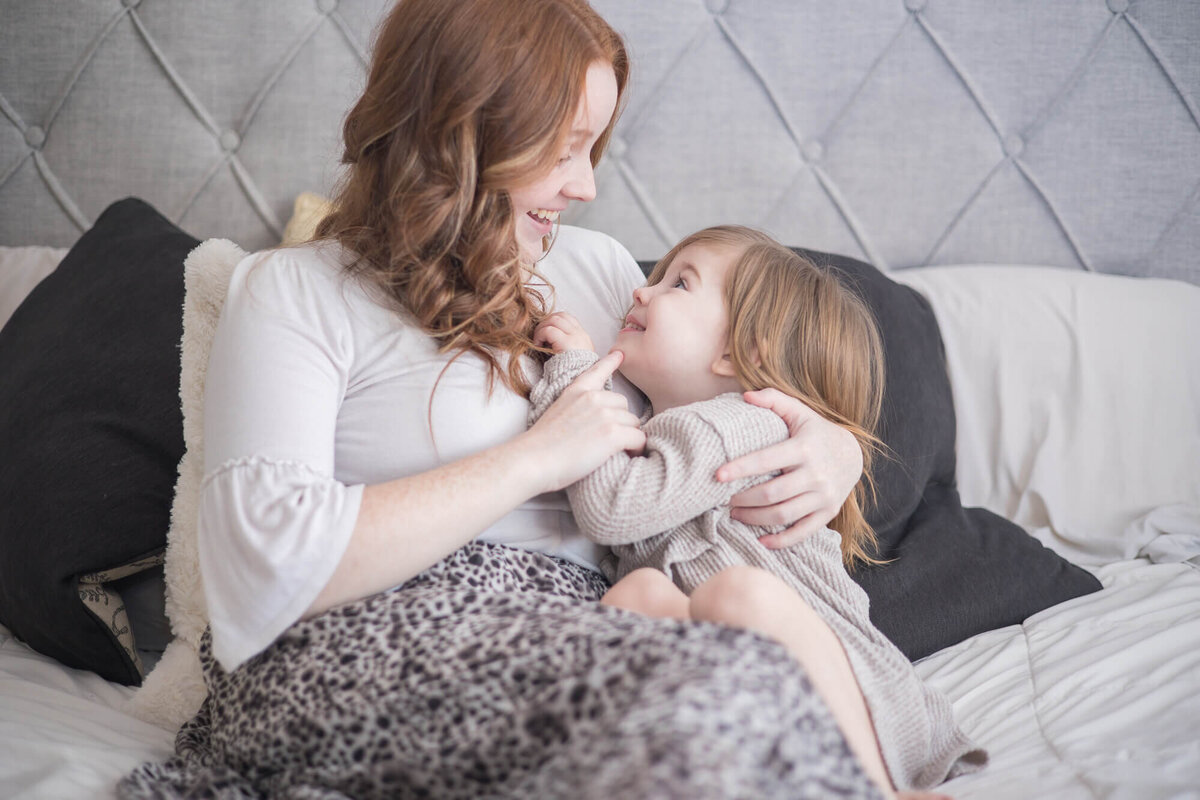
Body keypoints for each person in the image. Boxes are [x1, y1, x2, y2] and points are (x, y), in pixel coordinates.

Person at [121, 1, 884, 798]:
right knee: (724, 697)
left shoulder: (599, 273)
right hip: (364, 646)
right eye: (567, 148)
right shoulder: (295, 292)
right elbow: (258, 572)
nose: (587, 185)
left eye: (595, 148)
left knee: (758, 684)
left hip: (601, 634)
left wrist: (836, 446)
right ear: (466, 131)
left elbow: (736, 373)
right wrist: (534, 458)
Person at [528, 225, 988, 797]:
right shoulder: (660, 434)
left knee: (740, 593)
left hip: (846, 689)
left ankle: (873, 789)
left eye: (679, 283)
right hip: (753, 698)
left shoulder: (748, 422)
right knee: (632, 596)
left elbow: (612, 509)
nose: (642, 293)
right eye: (653, 277)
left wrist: (573, 375)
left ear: (739, 353)